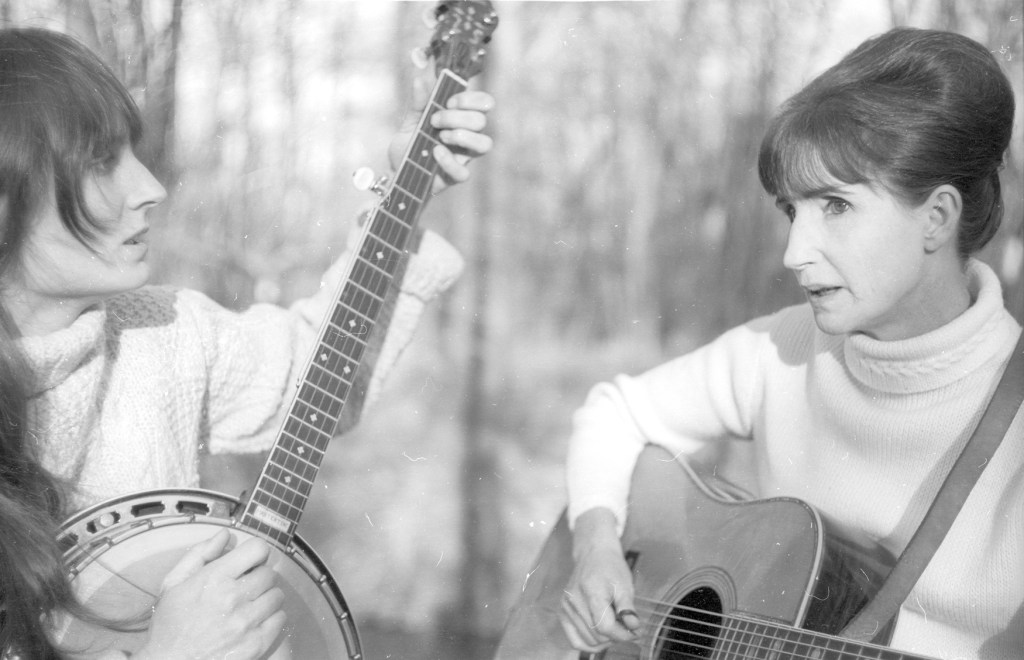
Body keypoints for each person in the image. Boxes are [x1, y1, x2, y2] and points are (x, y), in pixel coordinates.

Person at [0, 26, 493, 660]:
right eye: (101, 162)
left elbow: (315, 377)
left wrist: (406, 195)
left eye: (134, 152)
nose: (150, 186)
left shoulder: (163, 329)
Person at [560, 27, 1021, 660]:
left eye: (835, 205)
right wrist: (595, 545)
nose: (794, 254)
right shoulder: (787, 347)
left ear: (937, 217)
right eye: (790, 211)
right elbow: (614, 411)